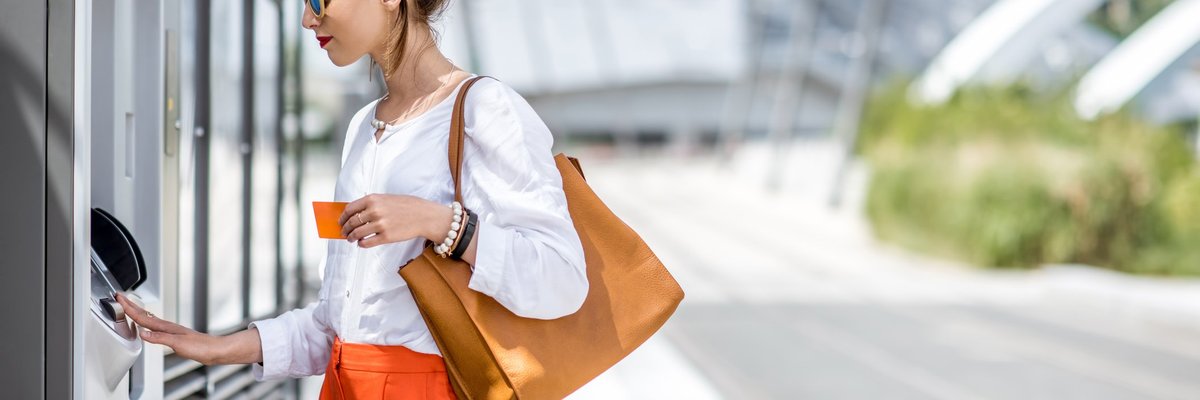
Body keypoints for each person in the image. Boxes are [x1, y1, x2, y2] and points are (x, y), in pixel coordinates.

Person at [115, 0, 589, 397]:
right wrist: (217, 347)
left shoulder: (485, 110)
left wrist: (441, 223)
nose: (307, 19)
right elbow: (338, 326)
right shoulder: (364, 128)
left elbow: (562, 279)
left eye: (318, 0)